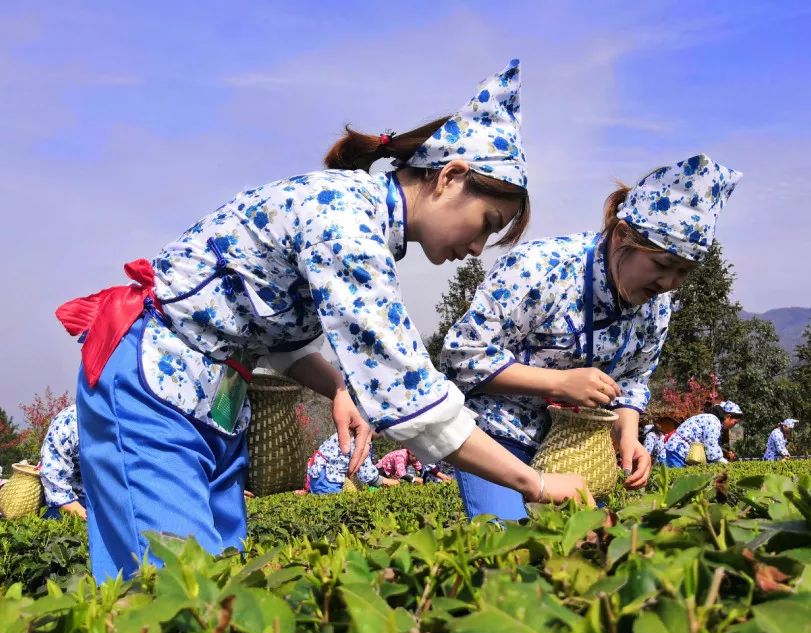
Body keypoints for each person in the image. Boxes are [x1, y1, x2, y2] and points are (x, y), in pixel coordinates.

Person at [56, 60, 589, 582]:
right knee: (172, 585)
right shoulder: (345, 223)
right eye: (485, 225)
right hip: (154, 380)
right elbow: (411, 398)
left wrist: (337, 387)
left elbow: (274, 334)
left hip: (211, 396)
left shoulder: (362, 224)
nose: (476, 249)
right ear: (449, 178)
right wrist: (534, 482)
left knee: (220, 579)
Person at [441, 154, 742, 519]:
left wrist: (627, 436)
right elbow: (462, 356)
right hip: (497, 436)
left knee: (583, 556)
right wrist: (558, 383)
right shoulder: (541, 269)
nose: (669, 284)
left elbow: (633, 379)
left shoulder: (656, 306)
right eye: (662, 266)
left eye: (683, 273)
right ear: (620, 236)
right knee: (507, 552)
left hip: (578, 452)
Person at [306, 432, 397, 494]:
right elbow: (367, 475)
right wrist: (389, 482)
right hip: (327, 476)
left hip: (320, 471)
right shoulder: (361, 439)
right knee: (330, 503)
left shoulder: (349, 431)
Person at [39, 404, 87, 520]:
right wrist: (88, 518)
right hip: (73, 501)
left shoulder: (133, 416)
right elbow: (53, 475)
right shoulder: (70, 419)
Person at [664, 401, 743, 467]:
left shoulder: (712, 419)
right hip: (678, 451)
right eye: (735, 422)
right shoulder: (713, 422)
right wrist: (728, 465)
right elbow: (713, 453)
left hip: (678, 450)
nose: (734, 425)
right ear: (728, 416)